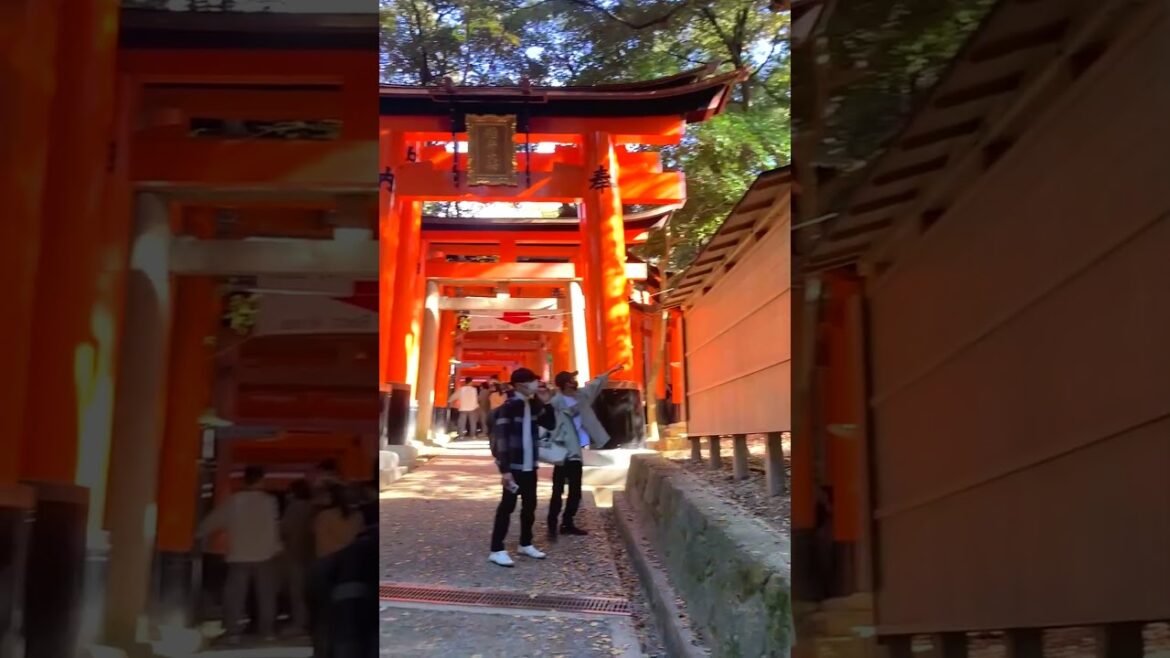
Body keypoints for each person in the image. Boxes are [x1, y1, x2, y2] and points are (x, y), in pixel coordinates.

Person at [196, 465, 282, 644]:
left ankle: (233, 632)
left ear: (245, 480)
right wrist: (277, 546)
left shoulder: (234, 501)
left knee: (235, 595)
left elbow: (214, 520)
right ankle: (267, 631)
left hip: (239, 554)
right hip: (265, 554)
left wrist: (197, 533)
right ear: (261, 480)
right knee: (266, 595)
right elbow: (275, 527)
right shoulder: (270, 501)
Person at [546, 364, 624, 539]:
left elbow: (595, 384)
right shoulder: (555, 402)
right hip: (562, 449)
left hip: (577, 448)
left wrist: (610, 371)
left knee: (575, 489)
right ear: (565, 384)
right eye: (572, 379)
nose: (575, 382)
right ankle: (552, 524)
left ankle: (568, 522)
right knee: (558, 488)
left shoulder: (581, 396)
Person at [488, 367, 556, 567]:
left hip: (529, 465)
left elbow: (550, 423)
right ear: (519, 385)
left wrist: (547, 400)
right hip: (514, 466)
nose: (535, 384)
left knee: (530, 506)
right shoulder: (508, 407)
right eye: (531, 381)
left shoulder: (532, 405)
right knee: (507, 507)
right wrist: (505, 470)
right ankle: (496, 549)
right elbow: (501, 440)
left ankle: (525, 543)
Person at [311, 482, 363, 655]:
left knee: (323, 615)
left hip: (325, 565)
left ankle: (322, 652)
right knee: (348, 614)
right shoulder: (357, 517)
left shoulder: (323, 516)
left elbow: (317, 539)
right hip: (350, 567)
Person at [279, 479, 315, 637]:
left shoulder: (293, 509)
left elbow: (284, 530)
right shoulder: (313, 507)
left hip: (295, 554)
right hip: (312, 554)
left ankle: (300, 623)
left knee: (297, 593)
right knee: (309, 592)